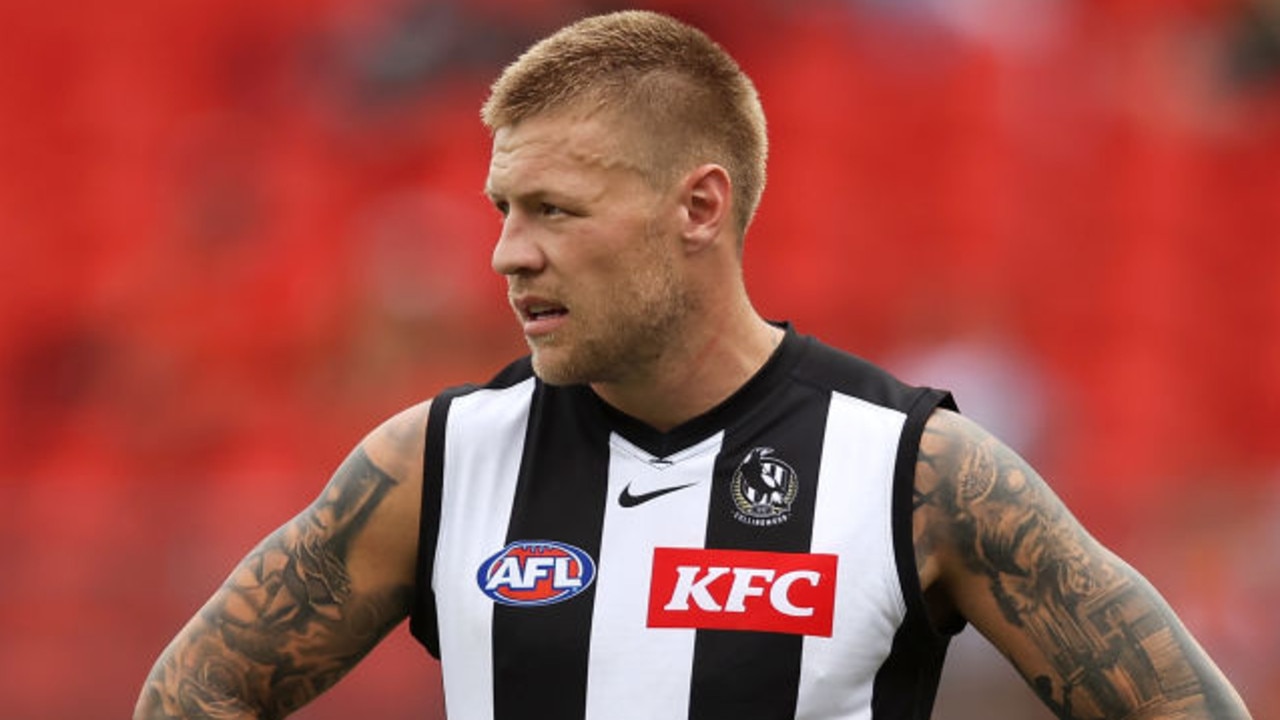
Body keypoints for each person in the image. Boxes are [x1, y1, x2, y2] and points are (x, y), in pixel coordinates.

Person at [134, 10, 1253, 720]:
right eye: (503, 208)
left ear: (699, 209)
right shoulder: (434, 463)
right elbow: (198, 694)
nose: (507, 252)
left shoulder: (917, 474)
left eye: (555, 210)